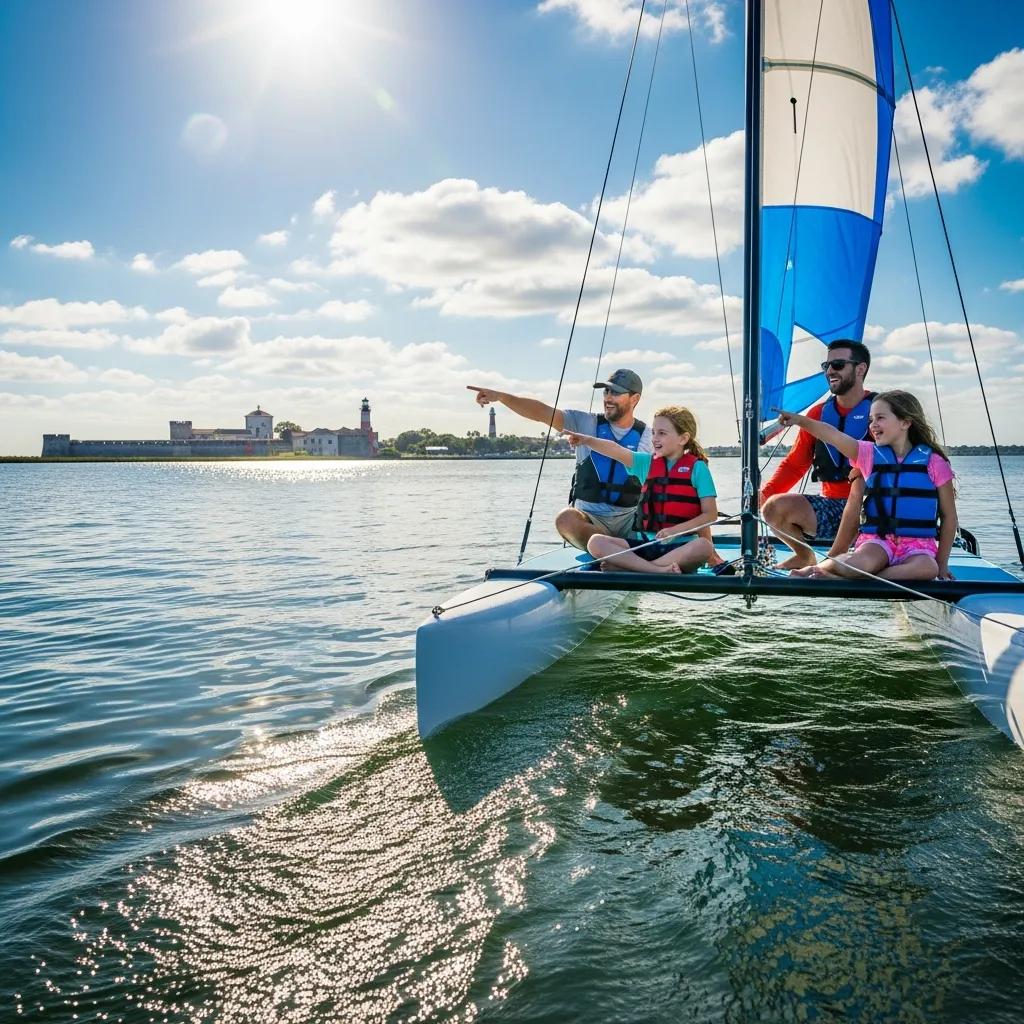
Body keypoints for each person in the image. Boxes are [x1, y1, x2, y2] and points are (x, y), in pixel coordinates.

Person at [775, 390, 957, 581]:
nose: (873, 425)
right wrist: (800, 420)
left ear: (905, 422)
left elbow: (949, 516)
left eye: (880, 418)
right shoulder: (867, 454)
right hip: (878, 542)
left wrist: (942, 565)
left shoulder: (934, 463)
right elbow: (832, 435)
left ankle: (845, 577)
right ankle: (820, 569)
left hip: (918, 547)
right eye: (871, 419)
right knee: (858, 563)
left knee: (928, 569)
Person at [467, 369, 653, 549]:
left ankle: (613, 550)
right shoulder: (584, 423)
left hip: (629, 522)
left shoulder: (648, 436)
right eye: (606, 391)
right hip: (590, 522)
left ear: (634, 399)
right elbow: (541, 412)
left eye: (616, 393)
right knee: (565, 519)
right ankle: (615, 550)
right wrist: (501, 397)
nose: (608, 398)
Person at [761, 339, 875, 569]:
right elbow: (795, 465)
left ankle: (849, 558)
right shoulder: (818, 414)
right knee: (773, 506)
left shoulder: (882, 410)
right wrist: (763, 498)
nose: (830, 371)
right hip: (833, 511)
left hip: (875, 510)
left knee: (862, 485)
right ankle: (805, 556)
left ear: (860, 369)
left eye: (838, 364)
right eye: (827, 365)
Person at [562, 406, 718, 574]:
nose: (654, 438)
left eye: (662, 433)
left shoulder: (698, 469)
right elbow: (615, 449)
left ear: (683, 438)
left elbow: (710, 515)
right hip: (645, 545)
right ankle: (656, 570)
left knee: (703, 547)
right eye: (653, 432)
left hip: (681, 548)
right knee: (595, 542)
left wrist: (674, 531)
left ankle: (631, 568)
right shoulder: (646, 463)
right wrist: (586, 440)